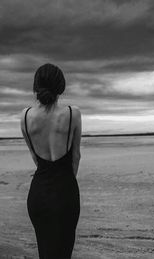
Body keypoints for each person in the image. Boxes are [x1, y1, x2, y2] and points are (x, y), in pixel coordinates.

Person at [20, 63, 81, 259]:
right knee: (64, 253)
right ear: (60, 86)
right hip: (65, 192)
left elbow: (34, 158)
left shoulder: (25, 116)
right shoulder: (73, 113)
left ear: (36, 86)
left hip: (38, 194)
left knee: (45, 252)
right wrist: (65, 186)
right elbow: (76, 157)